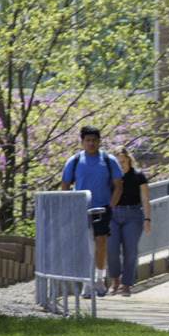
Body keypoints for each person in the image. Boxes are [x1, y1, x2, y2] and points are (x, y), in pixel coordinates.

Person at [61, 126, 124, 298]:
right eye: (87, 140)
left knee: (100, 243)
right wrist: (70, 205)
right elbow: (65, 185)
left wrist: (111, 205)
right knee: (84, 246)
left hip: (102, 207)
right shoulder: (73, 161)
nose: (91, 143)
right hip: (80, 207)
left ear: (99, 141)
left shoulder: (108, 160)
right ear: (82, 142)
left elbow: (119, 185)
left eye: (94, 140)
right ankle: (86, 284)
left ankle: (99, 279)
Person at [106, 146, 150, 297]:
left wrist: (147, 218)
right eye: (118, 162)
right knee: (111, 250)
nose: (121, 165)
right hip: (113, 215)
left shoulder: (138, 176)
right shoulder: (110, 176)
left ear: (129, 161)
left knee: (130, 251)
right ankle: (115, 279)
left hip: (133, 215)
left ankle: (127, 284)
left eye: (123, 161)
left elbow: (145, 198)